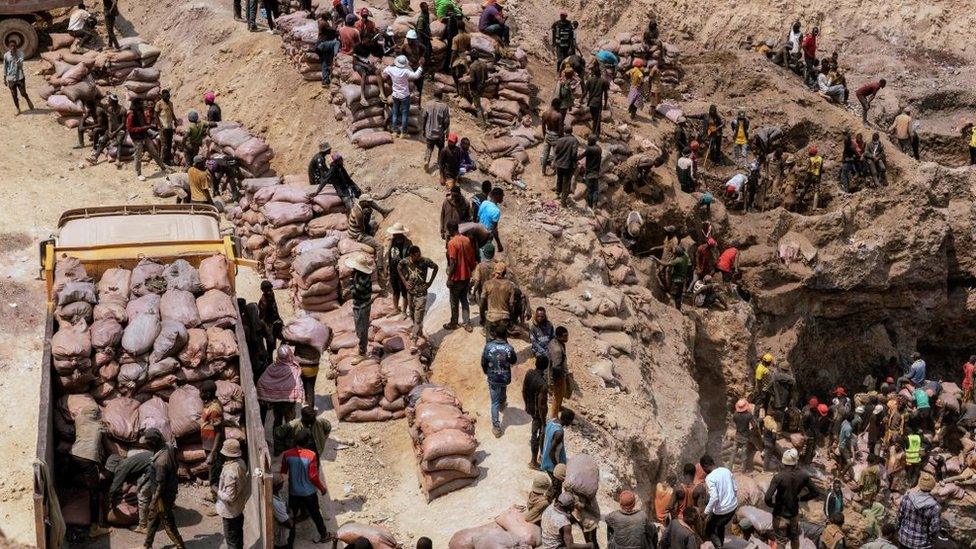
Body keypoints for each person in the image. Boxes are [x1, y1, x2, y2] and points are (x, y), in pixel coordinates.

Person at [69, 403, 110, 538]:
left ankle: (69, 500)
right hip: (87, 458)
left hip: (73, 455)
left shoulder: (79, 419)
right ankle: (94, 528)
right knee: (95, 493)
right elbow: (107, 436)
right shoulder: (99, 426)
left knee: (70, 478)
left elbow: (77, 414)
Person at [765, 449, 820, 549]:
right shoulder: (804, 475)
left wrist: (773, 505)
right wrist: (801, 498)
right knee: (794, 538)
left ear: (783, 462)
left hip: (780, 515)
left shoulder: (778, 477)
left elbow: (767, 498)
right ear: (796, 462)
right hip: (794, 515)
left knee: (781, 541)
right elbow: (816, 492)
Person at [280, 434, 330, 544]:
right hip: (309, 493)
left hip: (294, 492)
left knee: (291, 516)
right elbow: (313, 476)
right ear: (307, 443)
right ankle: (324, 535)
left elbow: (283, 473)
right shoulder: (311, 455)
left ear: (295, 441)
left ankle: (290, 541)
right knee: (316, 514)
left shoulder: (287, 454)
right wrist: (322, 488)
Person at [144, 427, 187, 549]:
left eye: (147, 443)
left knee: (167, 521)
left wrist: (154, 501)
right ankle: (147, 544)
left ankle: (180, 545)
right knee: (153, 518)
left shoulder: (161, 462)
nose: (146, 445)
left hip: (162, 495)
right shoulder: (169, 446)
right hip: (170, 488)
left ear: (153, 443)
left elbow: (160, 485)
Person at [398, 245, 439, 351]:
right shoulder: (406, 261)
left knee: (417, 319)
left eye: (419, 253)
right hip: (410, 294)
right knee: (411, 314)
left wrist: (429, 283)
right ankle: (419, 332)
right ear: (411, 255)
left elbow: (436, 267)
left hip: (421, 294)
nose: (419, 256)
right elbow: (399, 267)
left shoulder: (425, 261)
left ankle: (414, 341)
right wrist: (405, 282)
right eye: (416, 255)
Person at [108, 444, 154, 532]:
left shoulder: (121, 468)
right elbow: (132, 481)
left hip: (154, 468)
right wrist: (125, 489)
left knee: (143, 497)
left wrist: (112, 503)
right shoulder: (130, 464)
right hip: (163, 462)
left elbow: (114, 488)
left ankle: (143, 526)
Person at [482, 323, 517, 437]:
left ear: (495, 334)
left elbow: (484, 362)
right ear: (506, 335)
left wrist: (486, 371)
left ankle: (496, 427)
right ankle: (502, 403)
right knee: (502, 388)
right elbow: (513, 361)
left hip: (493, 377)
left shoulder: (488, 346)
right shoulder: (509, 348)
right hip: (504, 377)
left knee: (494, 403)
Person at [340, 253, 376, 360]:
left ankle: (362, 353)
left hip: (363, 306)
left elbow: (356, 291)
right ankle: (361, 348)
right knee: (358, 328)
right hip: (357, 304)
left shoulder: (364, 279)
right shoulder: (357, 274)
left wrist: (348, 289)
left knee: (362, 329)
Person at [126, 97, 169, 181]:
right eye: (140, 103)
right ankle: (139, 174)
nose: (142, 104)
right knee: (138, 156)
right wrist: (143, 128)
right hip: (137, 138)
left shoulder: (141, 111)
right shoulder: (131, 115)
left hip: (145, 136)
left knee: (154, 152)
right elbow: (130, 128)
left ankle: (163, 167)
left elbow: (144, 123)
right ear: (136, 104)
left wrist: (148, 126)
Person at [216, 439, 248, 549]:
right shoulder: (241, 462)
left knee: (231, 540)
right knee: (238, 536)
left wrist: (217, 491)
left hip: (230, 511)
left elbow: (230, 497)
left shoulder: (230, 471)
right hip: (238, 508)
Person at [444, 221, 477, 330]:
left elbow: (453, 263)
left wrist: (449, 278)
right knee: (464, 299)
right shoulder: (466, 239)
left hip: (456, 278)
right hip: (466, 276)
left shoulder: (452, 243)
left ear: (450, 230)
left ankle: (454, 323)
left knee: (454, 301)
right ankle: (467, 323)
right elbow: (472, 258)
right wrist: (471, 270)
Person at [701, 454, 737, 549]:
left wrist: (705, 513)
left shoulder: (709, 478)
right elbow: (735, 488)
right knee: (720, 525)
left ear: (705, 466)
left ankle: (718, 546)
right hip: (733, 507)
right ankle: (721, 543)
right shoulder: (726, 470)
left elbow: (714, 498)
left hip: (723, 511)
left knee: (709, 529)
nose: (704, 471)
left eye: (703, 468)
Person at [199, 380, 226, 501]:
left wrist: (213, 452)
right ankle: (214, 494)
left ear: (209, 393)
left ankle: (217, 501)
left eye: (202, 392)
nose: (200, 394)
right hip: (208, 444)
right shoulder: (209, 404)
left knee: (215, 473)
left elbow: (218, 432)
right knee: (212, 470)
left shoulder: (214, 408)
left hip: (213, 446)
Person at [383, 55, 423, 138]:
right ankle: (403, 133)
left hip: (395, 95)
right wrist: (420, 66)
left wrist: (391, 65)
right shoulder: (406, 71)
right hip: (404, 95)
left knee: (395, 113)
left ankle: (394, 131)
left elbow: (384, 72)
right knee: (405, 114)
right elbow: (416, 76)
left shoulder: (391, 69)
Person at [898, 472, 940, 549]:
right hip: (922, 544)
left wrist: (899, 531)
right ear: (932, 487)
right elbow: (934, 529)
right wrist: (931, 540)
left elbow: (899, 517)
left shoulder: (907, 497)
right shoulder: (934, 506)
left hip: (904, 539)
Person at [523, 348, 549, 468]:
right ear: (546, 367)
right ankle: (534, 461)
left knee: (537, 433)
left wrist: (526, 405)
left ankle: (538, 455)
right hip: (538, 413)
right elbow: (542, 405)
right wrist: (544, 421)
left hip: (530, 408)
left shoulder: (529, 373)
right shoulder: (543, 384)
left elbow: (523, 390)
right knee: (537, 434)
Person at [540, 409, 575, 475]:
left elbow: (542, 436)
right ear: (566, 419)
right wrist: (557, 467)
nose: (571, 423)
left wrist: (542, 452)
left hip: (546, 459)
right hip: (552, 465)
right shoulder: (559, 433)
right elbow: (551, 452)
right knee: (556, 484)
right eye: (571, 420)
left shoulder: (552, 421)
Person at [422, 89, 450, 169]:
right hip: (439, 133)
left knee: (429, 147)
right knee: (441, 148)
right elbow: (446, 122)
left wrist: (423, 129)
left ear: (434, 95)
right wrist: (446, 131)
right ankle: (439, 162)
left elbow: (424, 118)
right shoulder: (444, 107)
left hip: (429, 132)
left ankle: (427, 160)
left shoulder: (428, 104)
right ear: (441, 96)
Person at [4, 40, 33, 114]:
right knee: (14, 95)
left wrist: (15, 56)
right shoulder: (6, 55)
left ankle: (27, 99)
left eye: (14, 46)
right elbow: (5, 67)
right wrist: (4, 78)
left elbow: (20, 65)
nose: (13, 47)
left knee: (23, 93)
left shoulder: (20, 53)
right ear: (9, 47)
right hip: (11, 78)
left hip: (20, 77)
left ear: (16, 46)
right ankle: (17, 109)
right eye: (11, 46)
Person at [547, 326, 570, 419]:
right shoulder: (557, 350)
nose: (567, 338)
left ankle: (559, 407)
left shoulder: (555, 342)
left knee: (561, 394)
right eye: (565, 336)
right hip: (557, 377)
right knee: (557, 396)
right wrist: (556, 382)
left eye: (567, 335)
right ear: (559, 336)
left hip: (558, 373)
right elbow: (556, 367)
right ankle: (554, 417)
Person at [553, 130, 579, 205]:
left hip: (559, 164)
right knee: (566, 182)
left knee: (559, 178)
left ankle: (557, 193)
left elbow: (556, 151)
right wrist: (575, 161)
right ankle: (563, 201)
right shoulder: (574, 140)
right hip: (568, 165)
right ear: (571, 132)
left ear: (565, 132)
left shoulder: (559, 140)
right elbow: (574, 153)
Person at [540, 99, 565, 175]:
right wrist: (562, 139)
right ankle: (556, 171)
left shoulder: (545, 113)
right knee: (556, 155)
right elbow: (561, 130)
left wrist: (545, 135)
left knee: (545, 154)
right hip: (556, 136)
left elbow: (543, 126)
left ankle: (543, 171)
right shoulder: (558, 115)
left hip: (548, 134)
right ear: (557, 105)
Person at [585, 64, 610, 137]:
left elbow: (585, 92)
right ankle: (594, 134)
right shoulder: (604, 81)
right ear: (600, 73)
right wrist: (605, 104)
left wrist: (580, 100)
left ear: (593, 73)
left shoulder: (589, 80)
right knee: (597, 119)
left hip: (590, 102)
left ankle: (596, 133)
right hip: (598, 103)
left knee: (595, 118)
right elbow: (605, 94)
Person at [730, 398, 755, 472]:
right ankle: (743, 470)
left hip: (737, 435)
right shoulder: (749, 415)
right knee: (744, 454)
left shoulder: (735, 415)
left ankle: (729, 468)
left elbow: (734, 423)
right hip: (745, 437)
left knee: (733, 452)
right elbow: (754, 425)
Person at [478, 186, 505, 254]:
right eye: (502, 196)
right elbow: (494, 229)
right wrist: (499, 244)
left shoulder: (484, 202)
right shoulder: (496, 211)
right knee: (485, 254)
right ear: (497, 196)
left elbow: (478, 216)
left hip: (478, 230)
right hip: (486, 235)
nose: (502, 198)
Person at [582, 135, 602, 209]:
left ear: (590, 141)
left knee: (589, 189)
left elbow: (581, 156)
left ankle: (590, 205)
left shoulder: (589, 149)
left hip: (589, 173)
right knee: (595, 190)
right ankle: (595, 205)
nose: (587, 142)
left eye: (588, 140)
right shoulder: (599, 149)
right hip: (596, 173)